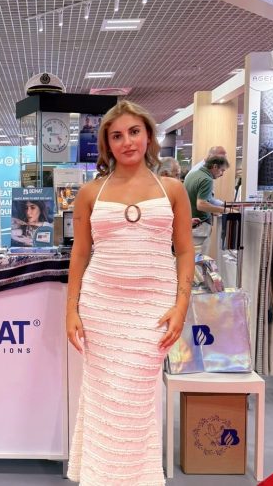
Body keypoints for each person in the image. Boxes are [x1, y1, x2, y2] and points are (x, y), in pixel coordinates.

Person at [66, 100, 194, 485]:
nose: (127, 142)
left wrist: (181, 306)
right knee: (105, 397)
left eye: (134, 132)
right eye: (117, 135)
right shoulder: (90, 192)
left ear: (149, 136)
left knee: (134, 399)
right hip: (101, 308)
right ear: (107, 144)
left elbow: (185, 251)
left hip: (152, 310)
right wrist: (71, 310)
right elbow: (80, 253)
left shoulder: (173, 189)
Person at [184, 155, 230, 255]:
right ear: (215, 166)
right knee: (200, 260)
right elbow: (201, 205)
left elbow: (201, 199)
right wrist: (225, 210)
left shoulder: (192, 174)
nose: (222, 174)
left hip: (189, 223)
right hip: (200, 226)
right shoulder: (207, 179)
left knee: (189, 257)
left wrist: (218, 207)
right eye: (222, 170)